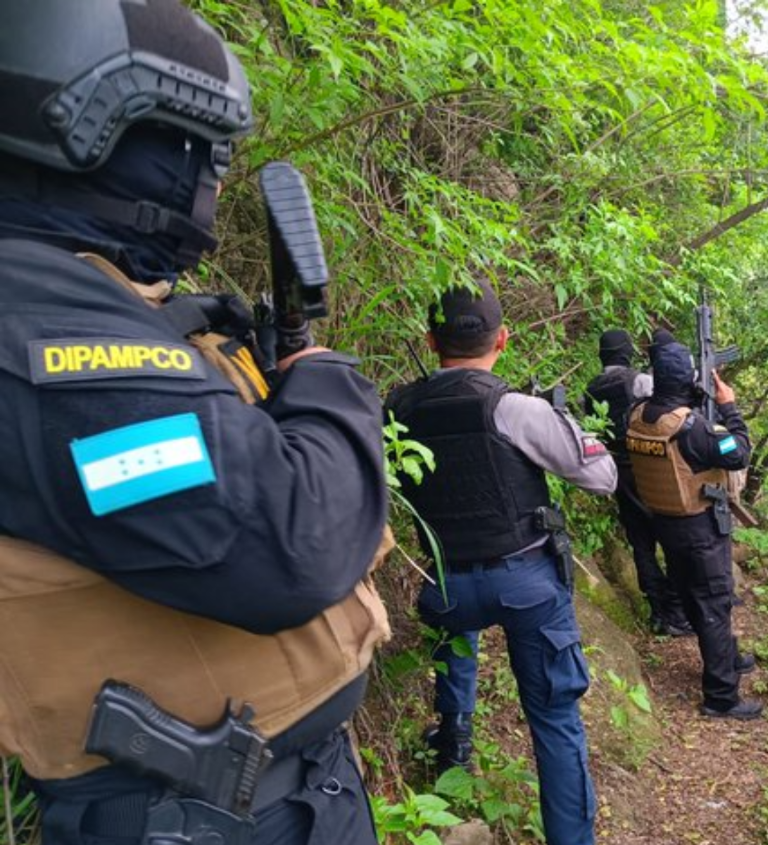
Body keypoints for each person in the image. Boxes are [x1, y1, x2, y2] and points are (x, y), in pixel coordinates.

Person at [0, 2, 392, 843]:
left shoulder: (81, 296)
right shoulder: (41, 334)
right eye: (195, 145)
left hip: (260, 796)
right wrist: (323, 381)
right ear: (97, 127)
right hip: (196, 811)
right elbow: (292, 539)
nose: (210, 177)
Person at [384, 279, 616, 845]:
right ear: (503, 339)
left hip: (445, 586)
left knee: (456, 633)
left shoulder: (394, 408)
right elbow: (602, 479)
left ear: (430, 339)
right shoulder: (516, 408)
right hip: (527, 585)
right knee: (555, 721)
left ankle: (453, 751)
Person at [625, 333, 763, 720]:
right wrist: (730, 408)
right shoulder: (692, 430)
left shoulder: (637, 416)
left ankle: (729, 659)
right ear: (689, 380)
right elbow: (738, 454)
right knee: (715, 604)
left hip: (665, 525)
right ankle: (721, 696)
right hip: (699, 529)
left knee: (693, 596)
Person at [584, 328, 692, 636]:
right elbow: (670, 405)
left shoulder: (590, 389)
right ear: (627, 352)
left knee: (640, 543)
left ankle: (658, 612)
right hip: (651, 467)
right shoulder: (641, 381)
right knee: (669, 537)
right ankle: (675, 612)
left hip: (616, 471)